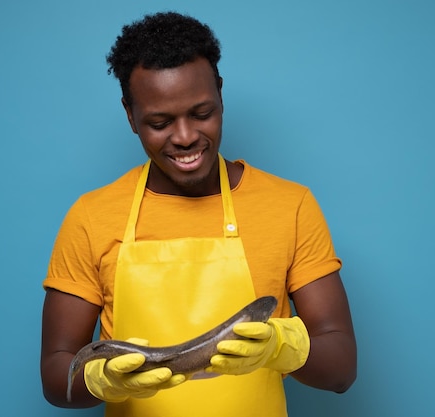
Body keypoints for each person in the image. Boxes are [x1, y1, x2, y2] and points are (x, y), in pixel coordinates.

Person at [41, 11, 356, 417]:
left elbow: (342, 369)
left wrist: (282, 347)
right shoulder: (91, 217)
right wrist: (101, 379)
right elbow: (55, 374)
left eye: (202, 113)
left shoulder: (289, 205)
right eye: (160, 122)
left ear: (221, 94)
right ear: (129, 115)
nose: (186, 136)